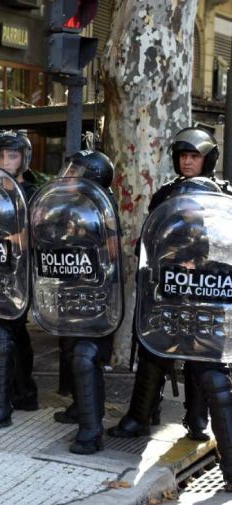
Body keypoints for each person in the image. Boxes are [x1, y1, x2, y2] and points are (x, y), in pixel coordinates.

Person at [109, 128, 232, 490]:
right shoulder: (166, 194)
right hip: (168, 288)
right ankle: (139, 417)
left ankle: (205, 431)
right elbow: (151, 241)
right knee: (153, 351)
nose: (187, 161)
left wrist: (206, 265)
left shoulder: (225, 197)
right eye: (183, 155)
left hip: (209, 290)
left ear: (207, 159)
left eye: (194, 156)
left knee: (210, 370)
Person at [43, 150, 120, 454]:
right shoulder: (66, 204)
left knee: (86, 356)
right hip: (68, 287)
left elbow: (112, 252)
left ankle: (91, 430)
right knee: (72, 348)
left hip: (95, 292)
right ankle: (79, 407)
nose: (69, 173)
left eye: (76, 170)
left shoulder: (103, 205)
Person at [0, 130, 39, 431]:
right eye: (1, 155)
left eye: (11, 155)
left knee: (2, 333)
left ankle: (0, 408)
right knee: (14, 333)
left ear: (23, 158)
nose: (5, 161)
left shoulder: (33, 191)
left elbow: (36, 232)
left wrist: (11, 239)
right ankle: (24, 390)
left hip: (19, 271)